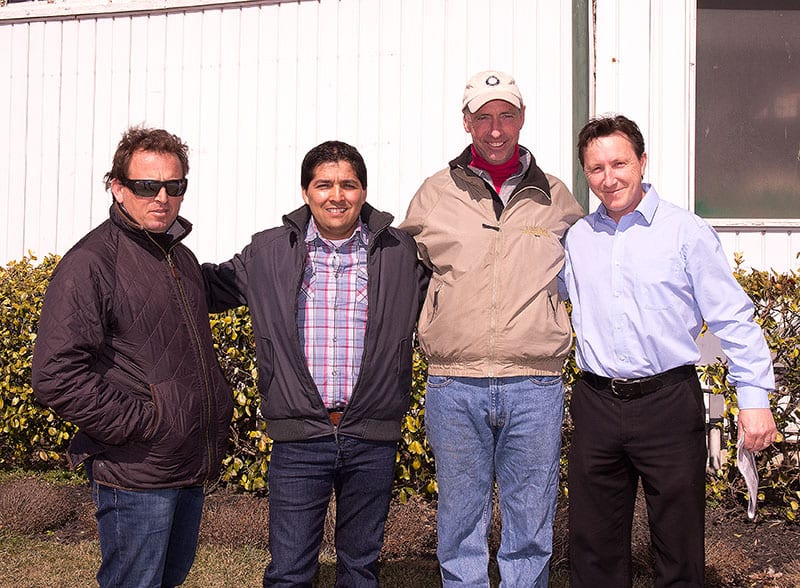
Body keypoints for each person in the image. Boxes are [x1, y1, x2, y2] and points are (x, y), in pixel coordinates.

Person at [564, 114, 779, 587]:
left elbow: (732, 317)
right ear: (586, 174)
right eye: (596, 168)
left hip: (667, 404)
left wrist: (755, 397)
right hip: (597, 405)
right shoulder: (578, 239)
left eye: (619, 163)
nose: (608, 177)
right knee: (593, 551)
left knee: (678, 549)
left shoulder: (686, 232)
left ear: (642, 162)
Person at [202, 140, 428, 587]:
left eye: (348, 184)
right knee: (289, 571)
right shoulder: (269, 252)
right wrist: (157, 247)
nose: (336, 195)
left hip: (371, 433)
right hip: (300, 434)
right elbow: (206, 287)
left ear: (363, 192)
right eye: (324, 184)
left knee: (361, 569)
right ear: (306, 192)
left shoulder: (400, 254)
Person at [399, 70, 585, 586]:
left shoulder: (555, 196)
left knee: (530, 519)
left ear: (522, 119)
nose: (496, 129)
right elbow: (401, 273)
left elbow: (589, 266)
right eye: (484, 117)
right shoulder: (435, 193)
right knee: (461, 517)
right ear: (466, 123)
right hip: (455, 382)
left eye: (506, 115)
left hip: (535, 383)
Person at [31, 127, 234, 588]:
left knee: (168, 577)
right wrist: (144, 423)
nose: (161, 197)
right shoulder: (91, 263)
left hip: (182, 462)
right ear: (118, 187)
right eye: (146, 186)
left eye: (174, 186)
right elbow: (54, 374)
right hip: (136, 468)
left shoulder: (177, 257)